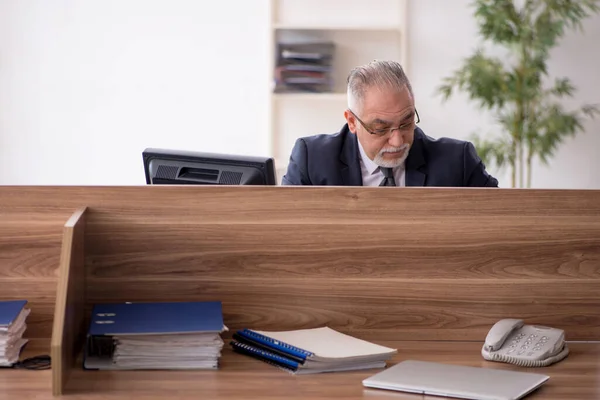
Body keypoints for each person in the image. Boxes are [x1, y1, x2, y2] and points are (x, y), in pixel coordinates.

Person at [281, 60, 499, 187]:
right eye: (380, 128)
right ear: (352, 121)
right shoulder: (312, 160)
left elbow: (503, 224)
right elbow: (284, 235)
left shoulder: (457, 161)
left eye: (406, 123)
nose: (397, 141)